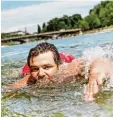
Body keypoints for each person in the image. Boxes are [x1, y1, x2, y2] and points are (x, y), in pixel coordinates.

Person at [9, 42, 113, 101]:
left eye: (47, 67)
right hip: (29, 67)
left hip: (63, 59)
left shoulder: (69, 71)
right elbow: (9, 90)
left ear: (59, 66)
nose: (40, 74)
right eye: (35, 69)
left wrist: (95, 72)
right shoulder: (30, 78)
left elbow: (101, 60)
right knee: (18, 72)